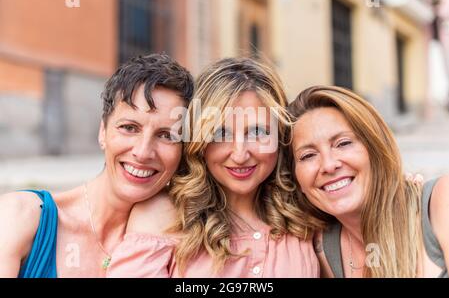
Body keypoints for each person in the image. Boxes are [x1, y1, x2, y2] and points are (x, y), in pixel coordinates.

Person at [108, 57, 321, 277]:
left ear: (279, 136)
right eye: (220, 133)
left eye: (257, 132)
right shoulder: (163, 217)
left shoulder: (305, 211)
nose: (239, 154)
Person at [0, 54, 194, 277]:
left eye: (166, 135)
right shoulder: (18, 217)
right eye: (129, 128)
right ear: (103, 131)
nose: (142, 152)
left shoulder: (184, 242)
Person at [288, 85, 449, 278]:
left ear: (375, 150)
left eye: (343, 143)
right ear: (297, 180)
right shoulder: (323, 252)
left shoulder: (440, 204)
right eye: (308, 156)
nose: (329, 165)